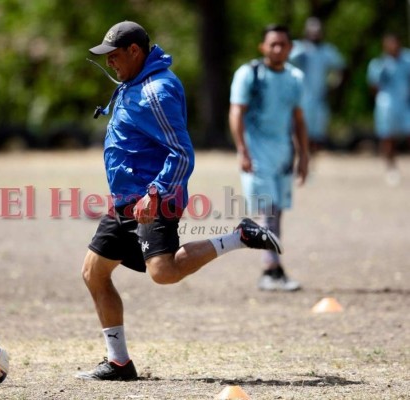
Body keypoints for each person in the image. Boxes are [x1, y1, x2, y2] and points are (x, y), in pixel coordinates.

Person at [77, 21, 283, 381]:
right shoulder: (132, 84)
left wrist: (155, 194)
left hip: (153, 199)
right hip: (126, 200)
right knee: (93, 273)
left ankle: (239, 236)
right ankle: (119, 362)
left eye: (113, 56)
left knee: (163, 272)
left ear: (134, 51)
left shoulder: (158, 90)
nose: (109, 63)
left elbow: (182, 153)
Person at [229, 24, 309, 292]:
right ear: (262, 47)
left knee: (278, 213)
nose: (277, 49)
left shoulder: (295, 77)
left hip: (284, 153)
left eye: (283, 44)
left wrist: (304, 155)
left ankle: (272, 268)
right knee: (269, 211)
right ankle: (271, 269)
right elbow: (236, 112)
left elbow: (298, 119)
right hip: (257, 152)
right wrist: (242, 149)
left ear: (290, 47)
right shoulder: (249, 74)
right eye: (272, 44)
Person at [289, 17, 346, 154]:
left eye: (318, 31)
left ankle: (310, 163)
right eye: (312, 30)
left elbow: (341, 68)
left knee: (316, 134)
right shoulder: (297, 48)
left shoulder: (327, 51)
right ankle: (298, 160)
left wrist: (333, 84)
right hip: (299, 98)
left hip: (319, 99)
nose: (315, 34)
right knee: (297, 131)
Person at [367, 32, 410, 186]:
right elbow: (373, 86)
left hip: (405, 104)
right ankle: (391, 168)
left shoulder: (408, 60)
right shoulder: (379, 64)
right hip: (386, 104)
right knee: (387, 137)